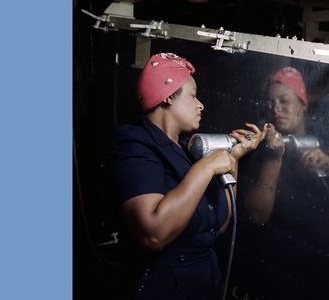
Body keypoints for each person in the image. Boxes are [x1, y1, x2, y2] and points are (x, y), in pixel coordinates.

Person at [107, 52, 268, 300]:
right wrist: (205, 168)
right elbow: (153, 234)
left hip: (203, 280)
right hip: (163, 287)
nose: (200, 104)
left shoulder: (185, 149)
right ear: (169, 96)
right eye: (193, 95)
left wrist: (233, 158)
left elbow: (220, 225)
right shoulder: (134, 146)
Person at [234, 66, 329, 299]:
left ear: (302, 104)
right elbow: (256, 214)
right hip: (274, 270)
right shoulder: (258, 148)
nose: (276, 109)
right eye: (270, 102)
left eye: (284, 100)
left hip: (323, 268)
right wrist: (274, 157)